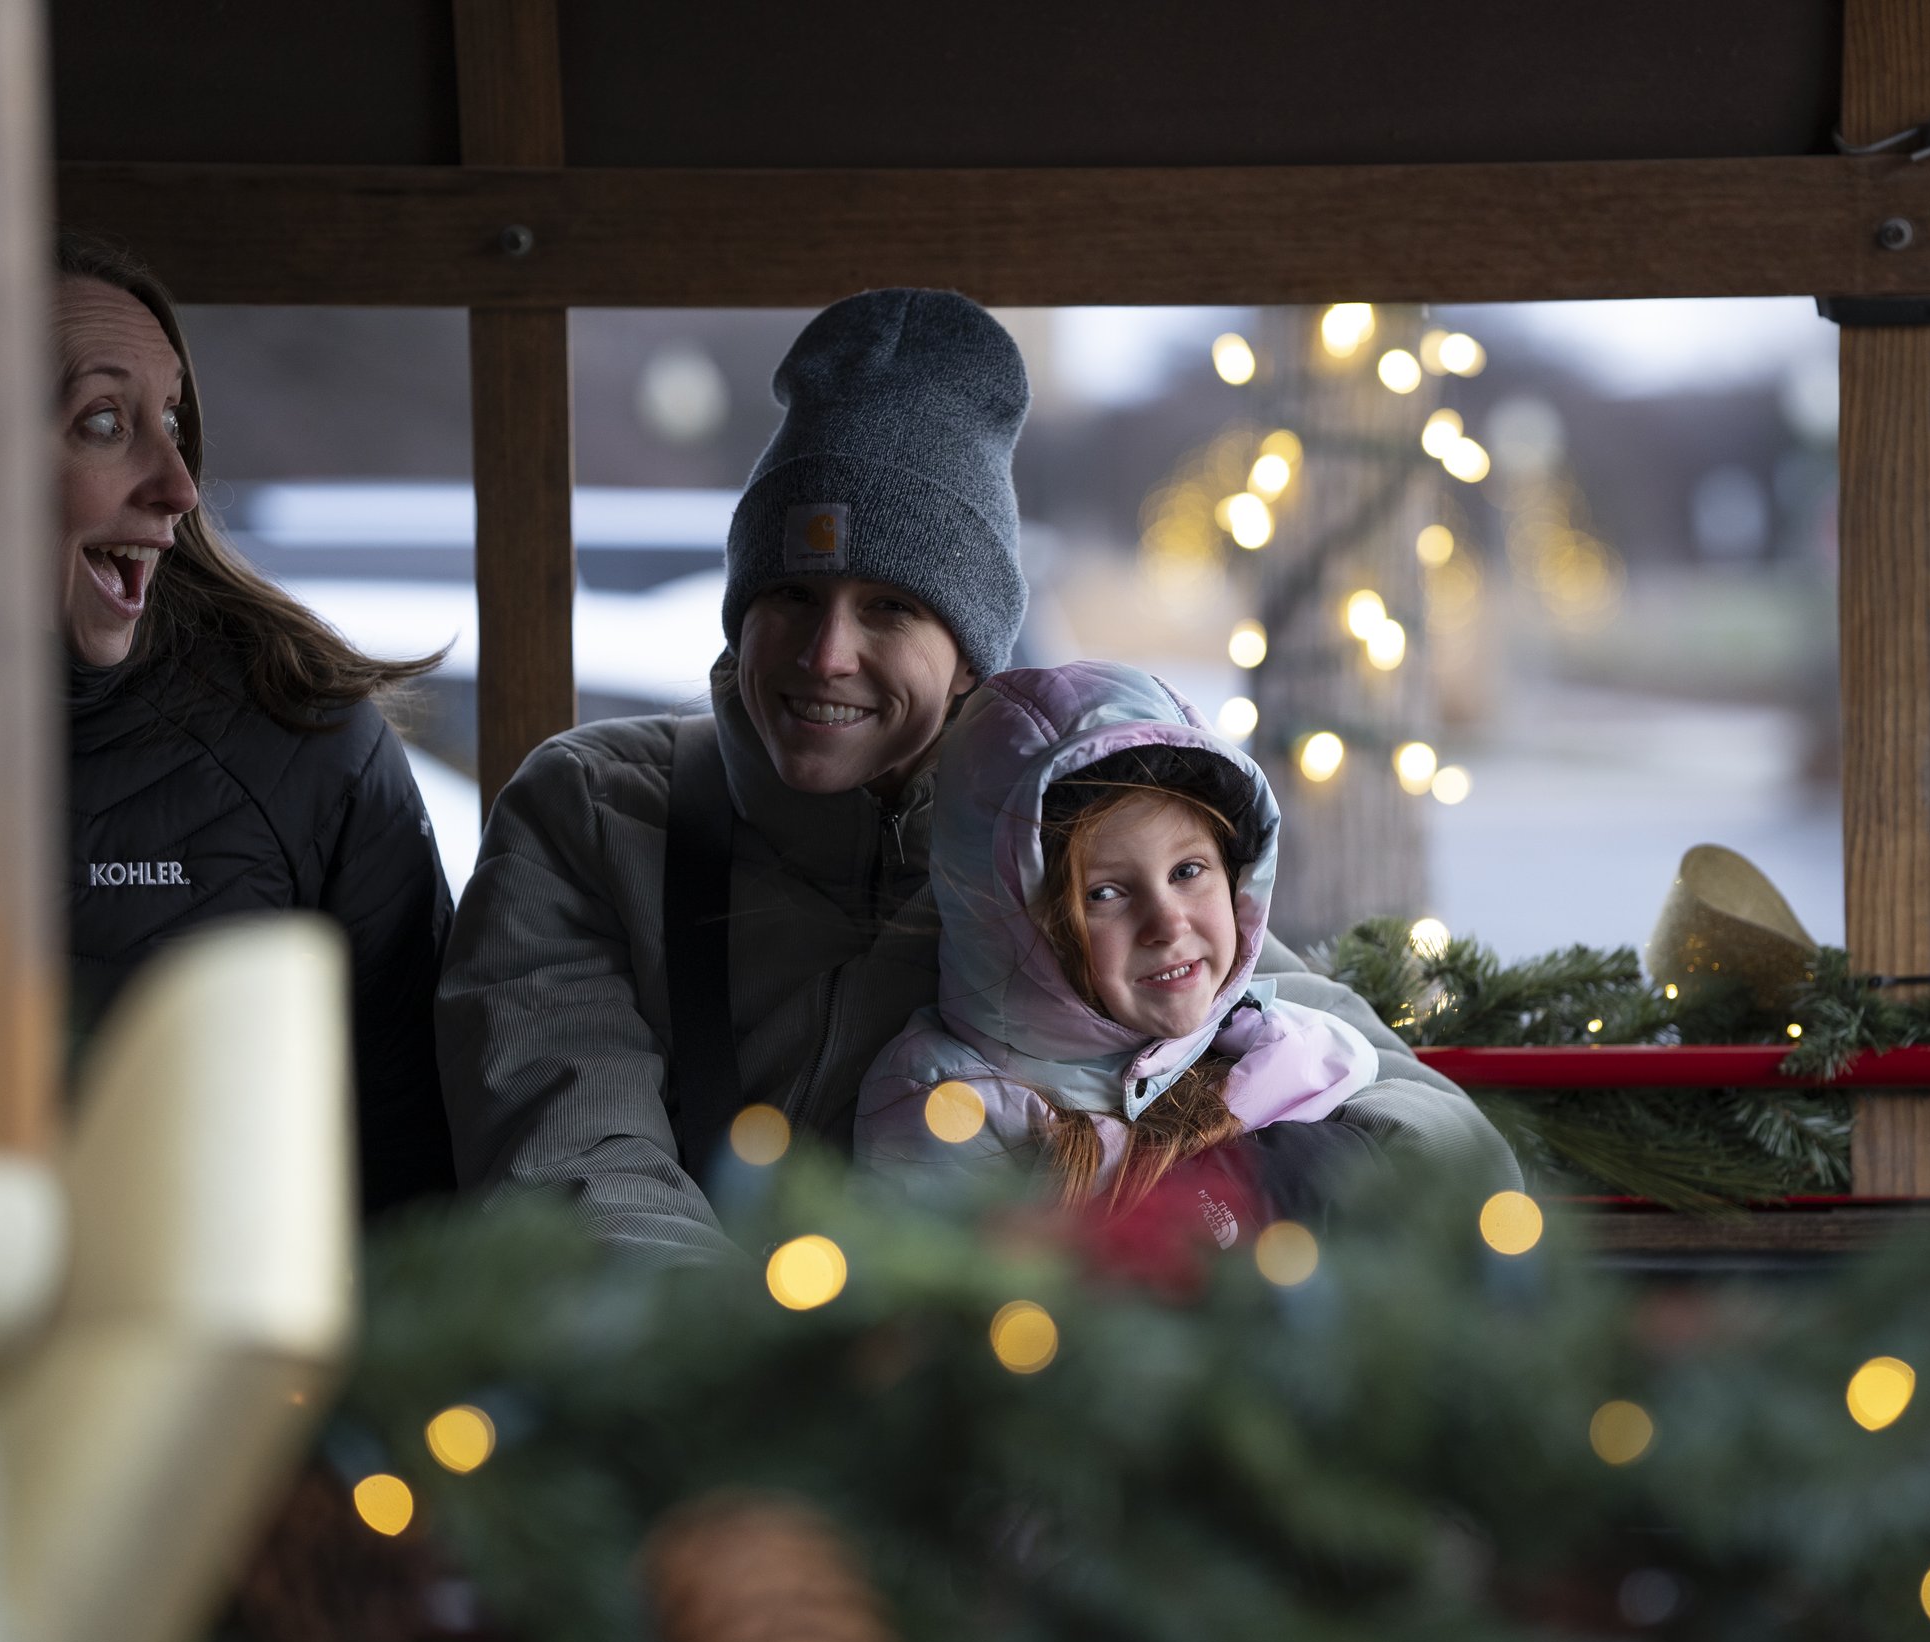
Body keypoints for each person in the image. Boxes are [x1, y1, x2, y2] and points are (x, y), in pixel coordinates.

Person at [438, 288, 1516, 1262]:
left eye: (890, 609)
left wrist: (1225, 1194)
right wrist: (781, 1389)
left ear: (969, 656)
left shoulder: (1060, 825)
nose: (825, 654)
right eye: (791, 597)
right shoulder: (595, 811)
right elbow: (573, 1166)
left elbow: (1422, 1125)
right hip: (712, 1415)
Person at [55, 231, 455, 1216]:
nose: (178, 485)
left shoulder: (303, 739)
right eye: (106, 421)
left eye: (173, 421)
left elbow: (417, 1189)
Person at [858, 662, 1400, 1243]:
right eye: (1105, 894)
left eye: (1188, 870)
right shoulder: (951, 1112)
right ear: (1011, 922)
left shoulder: (1278, 1045)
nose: (1168, 923)